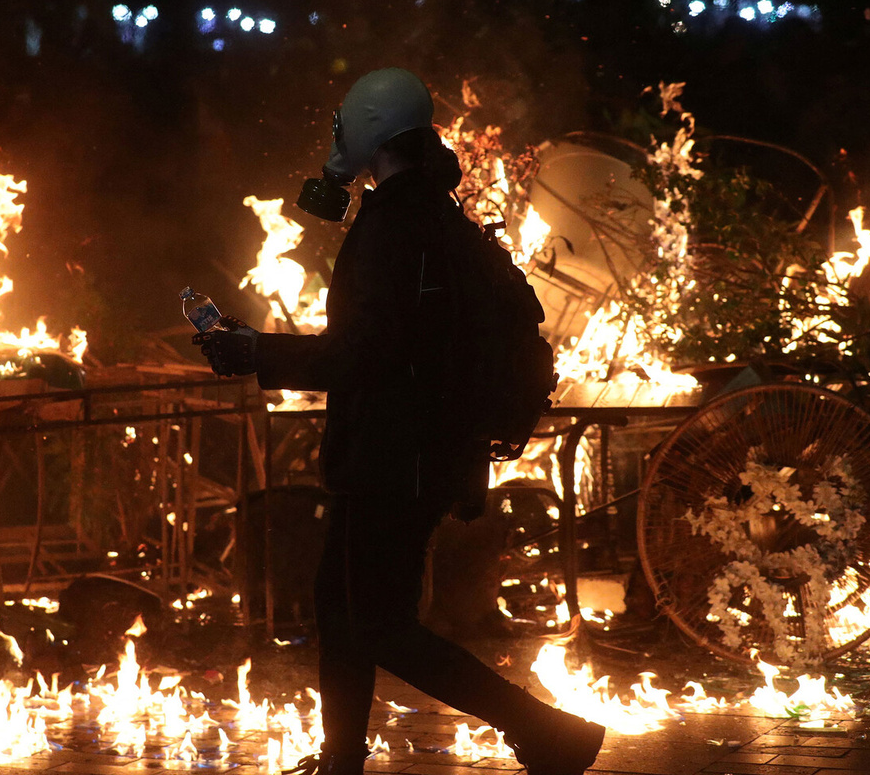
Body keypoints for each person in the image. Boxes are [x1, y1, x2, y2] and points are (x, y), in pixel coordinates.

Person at [194, 68, 605, 775]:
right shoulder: (424, 213)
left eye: (344, 125)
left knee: (381, 623)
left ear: (372, 132)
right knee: (338, 606)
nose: (335, 138)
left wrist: (258, 351)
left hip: (396, 457)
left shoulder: (397, 226)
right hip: (404, 453)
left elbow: (366, 353)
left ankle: (547, 732)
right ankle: (341, 757)